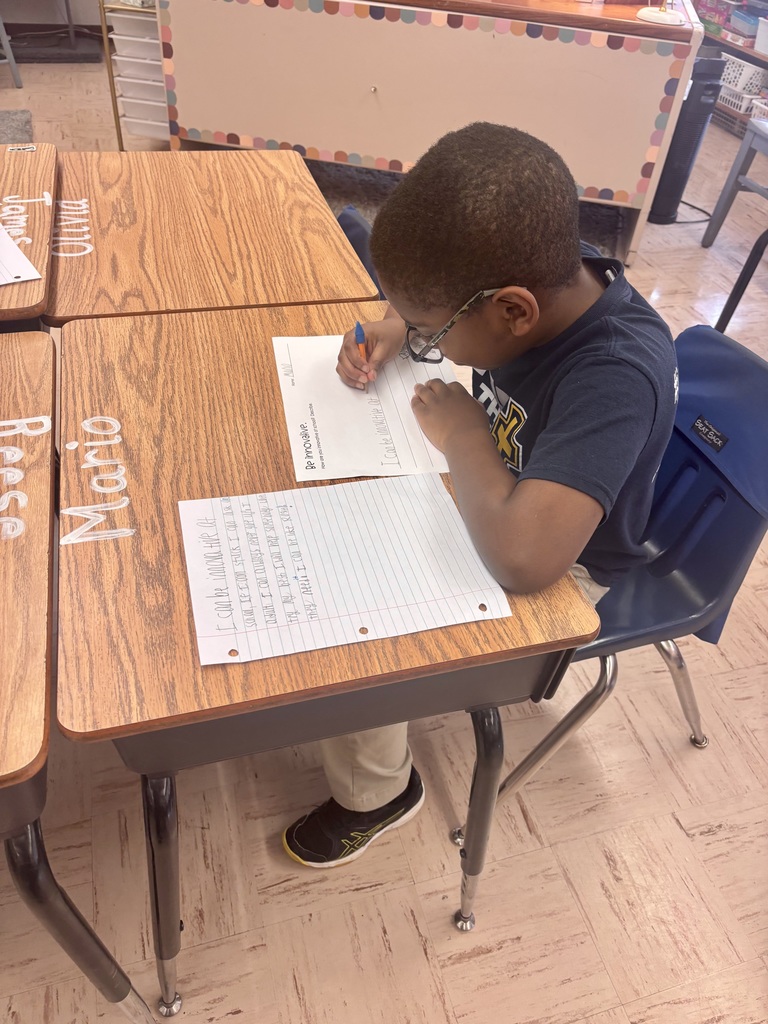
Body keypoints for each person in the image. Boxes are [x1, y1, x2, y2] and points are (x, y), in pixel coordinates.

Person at [282, 122, 678, 869]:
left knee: (361, 606)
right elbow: (462, 300)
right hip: (498, 491)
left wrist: (465, 433)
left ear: (514, 311)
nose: (428, 342)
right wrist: (397, 324)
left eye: (434, 330)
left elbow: (527, 559)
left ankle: (379, 792)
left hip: (565, 564)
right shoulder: (547, 276)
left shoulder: (616, 372)